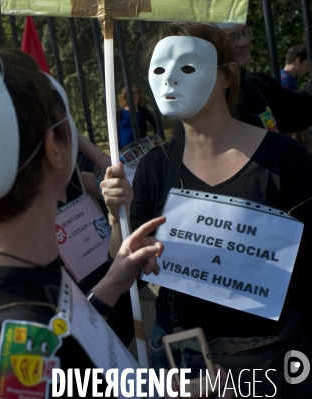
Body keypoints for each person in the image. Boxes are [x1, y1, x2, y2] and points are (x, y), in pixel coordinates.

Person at [0, 41, 172, 399]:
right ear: (53, 149)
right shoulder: (15, 339)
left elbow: (62, 342)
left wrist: (111, 284)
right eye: (68, 128)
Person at [104, 23, 312, 397]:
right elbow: (125, 266)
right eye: (157, 70)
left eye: (186, 67)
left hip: (268, 359)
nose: (169, 80)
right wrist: (115, 212)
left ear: (227, 76)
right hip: (180, 356)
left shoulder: (285, 159)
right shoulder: (155, 165)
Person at [174, 24, 312, 136]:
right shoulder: (197, 109)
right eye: (233, 38)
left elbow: (302, 110)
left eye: (245, 32)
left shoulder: (260, 85)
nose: (244, 42)